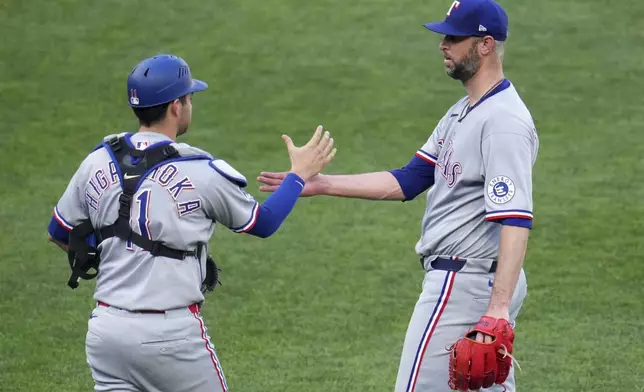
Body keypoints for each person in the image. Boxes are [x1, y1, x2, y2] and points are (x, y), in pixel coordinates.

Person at [257, 0, 539, 390]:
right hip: (474, 280)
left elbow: (515, 219)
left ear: (486, 45)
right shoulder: (463, 111)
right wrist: (323, 184)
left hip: (466, 284)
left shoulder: (503, 122)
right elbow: (408, 179)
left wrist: (498, 307)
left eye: (454, 37)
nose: (443, 44)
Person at [47, 53, 336, 392]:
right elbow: (263, 222)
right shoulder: (199, 170)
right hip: (170, 338)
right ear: (175, 107)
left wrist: (120, 253)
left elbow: (60, 233)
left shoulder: (97, 160)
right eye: (189, 97)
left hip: (106, 333)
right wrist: (299, 175)